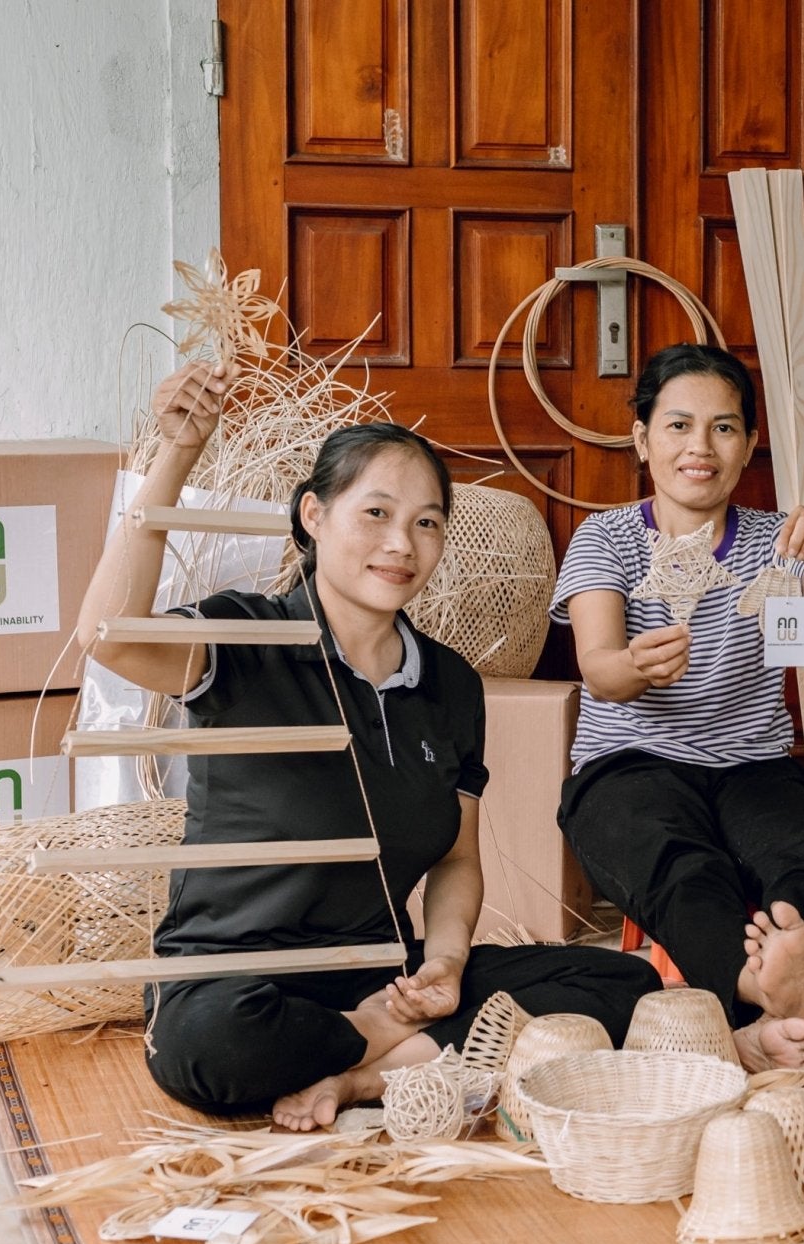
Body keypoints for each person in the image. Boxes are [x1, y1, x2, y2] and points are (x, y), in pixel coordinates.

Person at [81, 362, 660, 1129]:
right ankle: (380, 1047)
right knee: (209, 1048)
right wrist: (177, 454)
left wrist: (445, 965)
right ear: (314, 516)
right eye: (377, 513)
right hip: (238, 982)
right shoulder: (246, 635)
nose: (402, 544)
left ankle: (359, 1079)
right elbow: (106, 635)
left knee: (626, 987)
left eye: (426, 522)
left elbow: (456, 858)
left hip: (382, 970)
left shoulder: (450, 683)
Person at [553, 343, 804, 1072]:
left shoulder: (774, 540)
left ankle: (792, 983)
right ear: (642, 441)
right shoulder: (606, 538)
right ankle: (776, 996)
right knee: (684, 868)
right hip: (628, 765)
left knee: (800, 858)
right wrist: (636, 666)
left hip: (752, 764)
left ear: (749, 445)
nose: (700, 447)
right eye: (678, 426)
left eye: (724, 428)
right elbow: (599, 668)